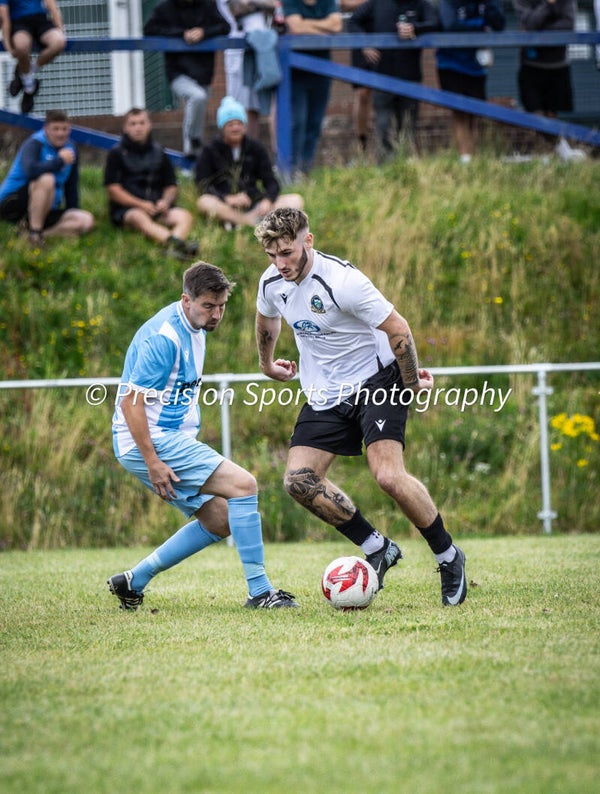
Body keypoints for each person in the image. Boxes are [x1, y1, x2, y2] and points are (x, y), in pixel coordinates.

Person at [254, 208, 467, 607]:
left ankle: (448, 556)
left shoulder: (344, 282)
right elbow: (267, 321)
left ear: (308, 241)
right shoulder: (271, 283)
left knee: (387, 475)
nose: (280, 263)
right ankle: (377, 546)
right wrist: (266, 365)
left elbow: (398, 328)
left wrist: (410, 380)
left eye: (287, 252)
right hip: (325, 392)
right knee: (299, 481)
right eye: (272, 255)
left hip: (377, 381)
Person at [108, 261, 299, 611]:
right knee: (244, 485)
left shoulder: (192, 326)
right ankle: (261, 592)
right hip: (151, 439)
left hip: (160, 438)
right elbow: (130, 404)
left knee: (220, 518)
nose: (216, 315)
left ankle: (133, 581)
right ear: (186, 300)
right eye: (208, 306)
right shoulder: (164, 339)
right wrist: (152, 461)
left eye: (222, 306)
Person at [104, 107, 200, 261]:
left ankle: (172, 250)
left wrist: (166, 202)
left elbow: (171, 186)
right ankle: (178, 245)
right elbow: (113, 190)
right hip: (129, 210)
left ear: (149, 125)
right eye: (133, 124)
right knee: (138, 217)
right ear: (125, 128)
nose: (138, 127)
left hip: (157, 208)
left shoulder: (159, 152)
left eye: (142, 123)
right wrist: (141, 204)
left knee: (185, 216)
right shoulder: (116, 153)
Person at [195, 95, 304, 229]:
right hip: (225, 205)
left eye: (239, 124)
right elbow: (202, 183)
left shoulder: (256, 148)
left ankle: (245, 223)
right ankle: (249, 222)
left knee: (295, 200)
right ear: (222, 128)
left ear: (245, 126)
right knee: (204, 202)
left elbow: (271, 181)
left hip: (255, 204)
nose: (236, 128)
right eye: (231, 124)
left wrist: (268, 200)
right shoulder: (210, 150)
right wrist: (227, 198)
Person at [349, 0, 439, 160]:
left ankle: (407, 165)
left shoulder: (420, 4)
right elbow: (353, 21)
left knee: (407, 126)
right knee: (383, 125)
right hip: (382, 76)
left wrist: (415, 29)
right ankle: (385, 168)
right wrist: (365, 42)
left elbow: (435, 22)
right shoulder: (377, 4)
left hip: (410, 76)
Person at [143, 0, 230, 159]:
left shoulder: (208, 5)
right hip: (177, 71)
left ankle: (191, 162)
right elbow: (149, 29)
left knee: (197, 111)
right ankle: (192, 144)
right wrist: (181, 34)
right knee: (197, 97)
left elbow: (225, 27)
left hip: (204, 70)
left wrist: (204, 32)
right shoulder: (164, 7)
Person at [0, 109, 94, 247]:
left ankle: (34, 235)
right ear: (46, 129)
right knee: (47, 179)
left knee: (85, 220)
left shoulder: (71, 149)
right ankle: (35, 235)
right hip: (13, 204)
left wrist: (73, 210)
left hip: (46, 208)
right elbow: (31, 170)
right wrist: (59, 161)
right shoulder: (34, 144)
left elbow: (71, 186)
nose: (60, 133)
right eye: (55, 129)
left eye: (64, 129)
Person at [513, 0, 586, 161]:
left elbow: (568, 24)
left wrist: (538, 28)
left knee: (552, 114)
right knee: (535, 114)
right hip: (531, 65)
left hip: (558, 64)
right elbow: (530, 23)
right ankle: (563, 151)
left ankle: (555, 154)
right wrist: (549, 5)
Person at [435, 0, 505, 163]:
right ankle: (464, 157)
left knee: (475, 113)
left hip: (476, 66)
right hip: (451, 64)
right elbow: (450, 25)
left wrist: (490, 8)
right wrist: (481, 27)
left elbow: (500, 24)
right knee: (459, 112)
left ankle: (472, 156)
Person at [281, 0, 343, 176]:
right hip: (296, 73)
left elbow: (337, 25)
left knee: (315, 123)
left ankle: (306, 169)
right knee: (297, 121)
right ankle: (290, 169)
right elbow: (295, 28)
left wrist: (307, 25)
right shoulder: (291, 2)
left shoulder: (328, 2)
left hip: (322, 71)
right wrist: (324, 29)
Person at [216, 0, 276, 140]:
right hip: (238, 50)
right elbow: (238, 7)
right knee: (239, 109)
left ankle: (251, 156)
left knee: (257, 108)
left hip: (263, 48)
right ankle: (239, 156)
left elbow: (276, 6)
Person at [0, 0, 66, 114]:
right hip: (19, 23)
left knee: (59, 42)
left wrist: (60, 30)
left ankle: (24, 73)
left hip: (41, 21)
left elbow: (53, 7)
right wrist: (8, 45)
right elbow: (4, 18)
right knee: (21, 46)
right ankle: (29, 87)